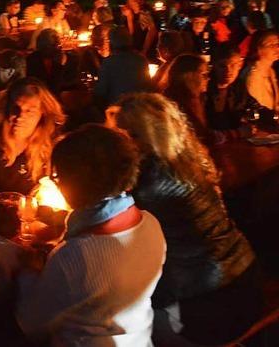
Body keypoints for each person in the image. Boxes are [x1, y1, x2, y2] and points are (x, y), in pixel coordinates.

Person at [107, 93, 261, 345]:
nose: (125, 143)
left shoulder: (151, 179)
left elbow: (115, 224)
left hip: (211, 298)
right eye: (121, 135)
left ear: (154, 133)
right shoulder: (189, 159)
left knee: (119, 317)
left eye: (133, 135)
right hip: (246, 274)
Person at [17, 124, 166, 346]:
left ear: (75, 182)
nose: (56, 182)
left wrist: (29, 273)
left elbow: (30, 323)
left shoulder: (75, 255)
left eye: (57, 176)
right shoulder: (152, 225)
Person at [0, 77, 65, 197]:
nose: (20, 116)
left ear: (42, 113)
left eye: (30, 111)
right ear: (6, 107)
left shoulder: (50, 145)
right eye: (16, 108)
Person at [165, 54, 252, 144]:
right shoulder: (178, 102)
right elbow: (202, 137)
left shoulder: (197, 98)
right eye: (204, 74)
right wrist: (238, 133)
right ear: (189, 76)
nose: (208, 78)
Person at [93, 26, 151, 108]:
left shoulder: (108, 63)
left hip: (119, 108)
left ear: (111, 43)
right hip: (140, 106)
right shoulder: (141, 60)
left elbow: (101, 91)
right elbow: (147, 86)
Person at [206, 46, 249, 130]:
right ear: (214, 65)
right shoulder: (204, 88)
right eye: (222, 66)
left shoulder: (239, 86)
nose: (228, 71)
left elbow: (254, 106)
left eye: (233, 65)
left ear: (240, 65)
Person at [26, 28, 73, 94]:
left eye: (58, 45)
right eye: (52, 46)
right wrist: (59, 66)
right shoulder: (33, 60)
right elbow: (52, 89)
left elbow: (69, 84)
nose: (57, 49)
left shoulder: (68, 59)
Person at [244, 30, 279, 114]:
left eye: (277, 43)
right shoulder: (253, 77)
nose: (277, 48)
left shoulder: (270, 71)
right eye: (271, 45)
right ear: (258, 50)